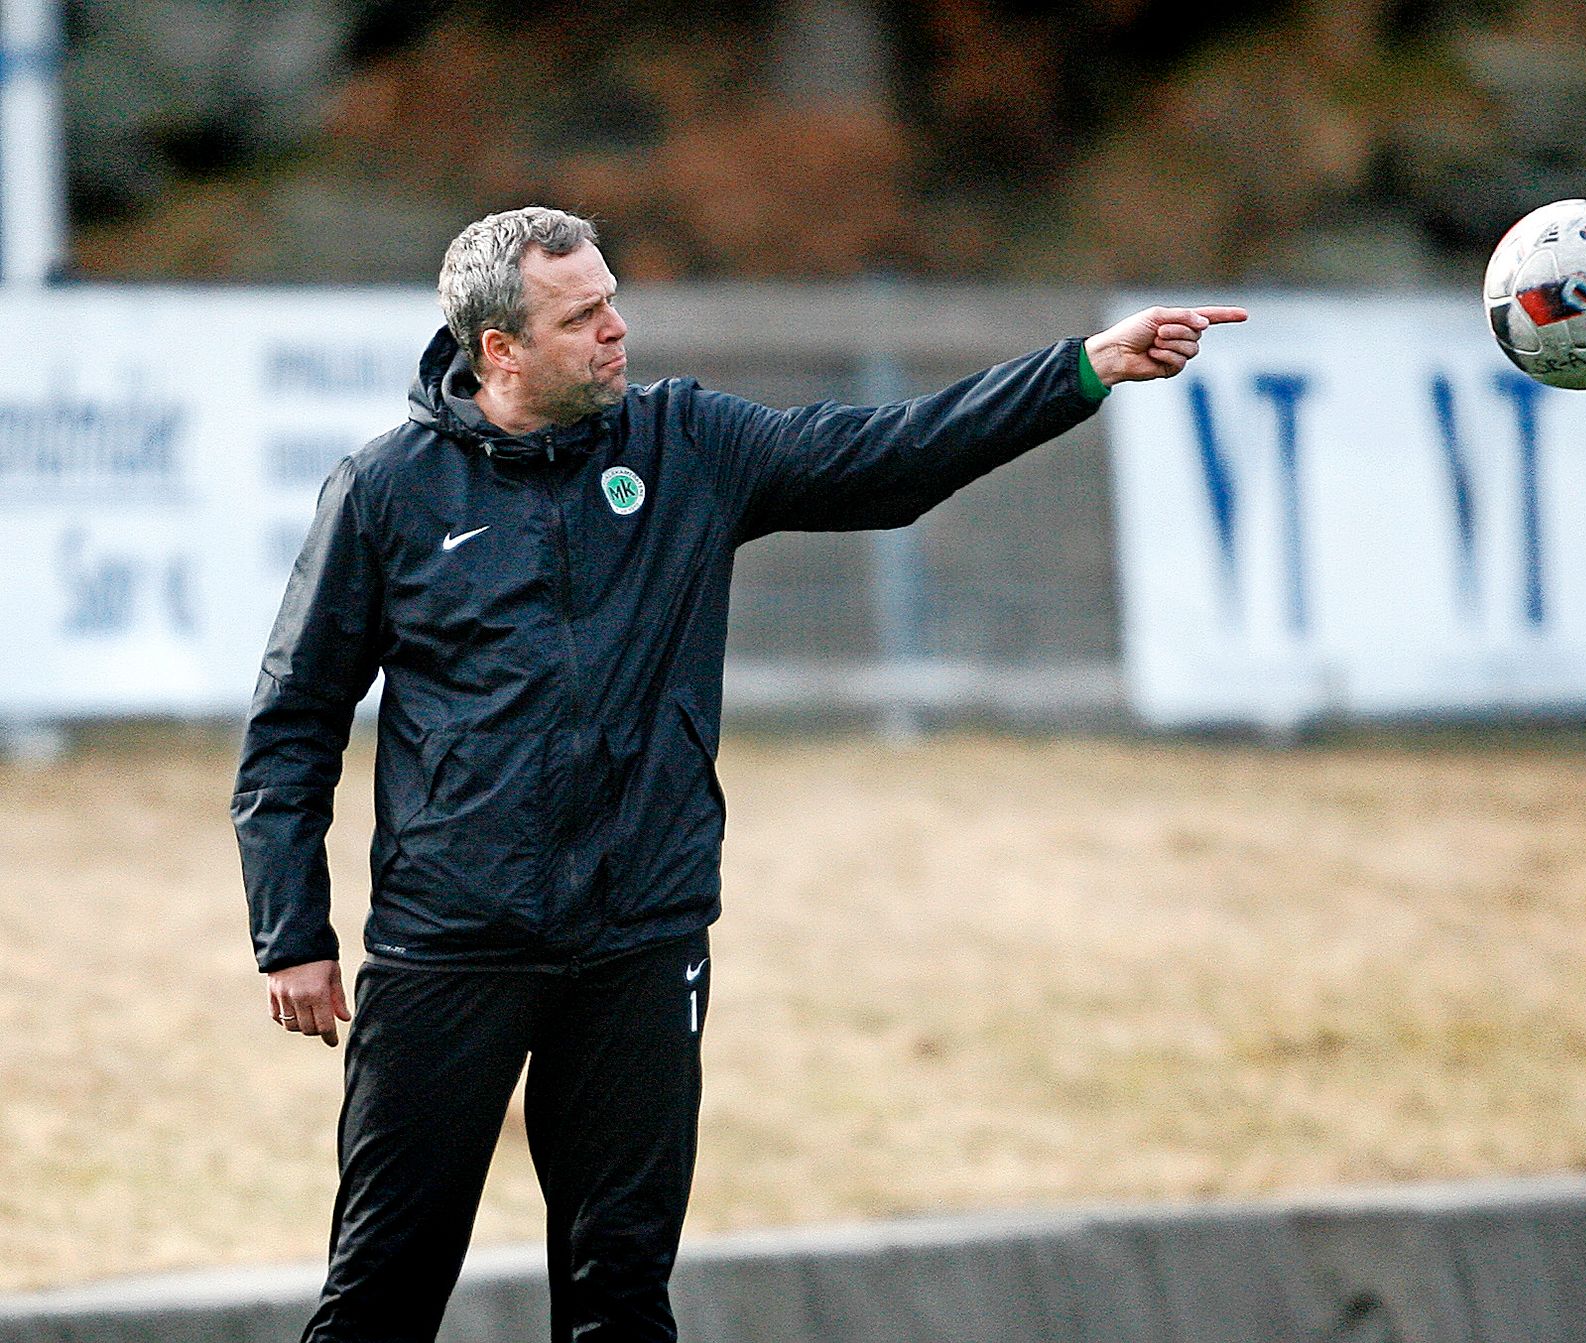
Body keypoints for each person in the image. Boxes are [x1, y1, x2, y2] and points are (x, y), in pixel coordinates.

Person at [231, 204, 1245, 1342]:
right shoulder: (386, 491)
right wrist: (293, 930)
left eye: (613, 300)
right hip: (451, 942)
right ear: (499, 348)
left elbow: (892, 459)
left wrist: (1081, 371)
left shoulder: (686, 444)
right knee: (381, 1295)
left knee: (621, 1294)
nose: (617, 329)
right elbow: (293, 719)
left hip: (640, 937)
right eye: (582, 316)